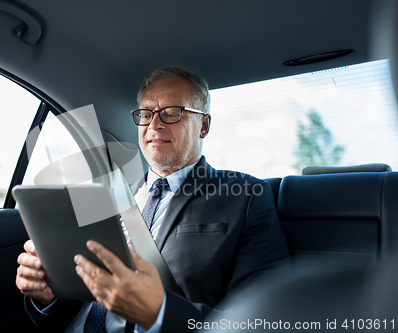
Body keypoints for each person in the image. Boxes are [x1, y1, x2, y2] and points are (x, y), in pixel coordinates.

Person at [16, 68, 290, 332]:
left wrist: (159, 312)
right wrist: (48, 297)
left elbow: (267, 318)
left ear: (204, 125)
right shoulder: (106, 196)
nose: (155, 124)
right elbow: (82, 291)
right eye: (146, 114)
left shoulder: (246, 196)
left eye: (172, 113)